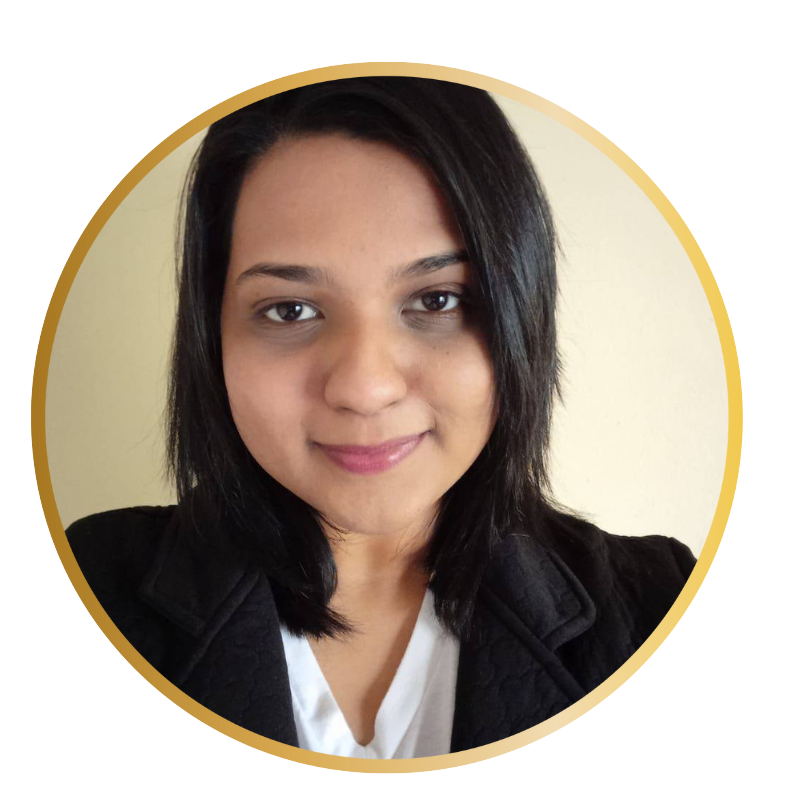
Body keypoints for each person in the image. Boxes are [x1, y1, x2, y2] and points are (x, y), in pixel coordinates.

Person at [66, 77, 696, 758]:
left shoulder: (658, 603)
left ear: (521, 314)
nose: (365, 390)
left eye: (437, 300)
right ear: (210, 336)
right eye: (290, 310)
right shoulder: (92, 582)